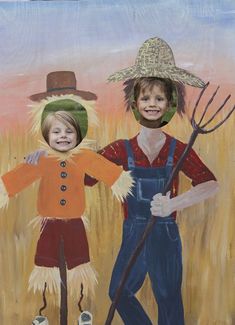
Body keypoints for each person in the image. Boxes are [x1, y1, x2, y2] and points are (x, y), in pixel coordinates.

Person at [26, 38, 219, 324]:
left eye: (159, 98)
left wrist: (174, 203)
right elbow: (84, 174)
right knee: (119, 292)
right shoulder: (120, 150)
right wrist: (51, 154)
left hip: (165, 234)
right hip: (133, 233)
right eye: (145, 98)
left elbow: (210, 183)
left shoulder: (178, 150)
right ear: (135, 101)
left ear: (170, 102)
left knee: (167, 298)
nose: (151, 104)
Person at [0, 99, 133, 306]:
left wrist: (121, 182)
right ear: (47, 135)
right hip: (49, 225)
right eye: (56, 131)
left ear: (78, 134)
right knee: (46, 265)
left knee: (79, 263)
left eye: (69, 131)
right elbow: (18, 178)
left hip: (75, 224)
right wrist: (4, 188)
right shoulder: (42, 160)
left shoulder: (84, 157)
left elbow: (107, 172)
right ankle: (44, 309)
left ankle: (80, 308)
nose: (63, 136)